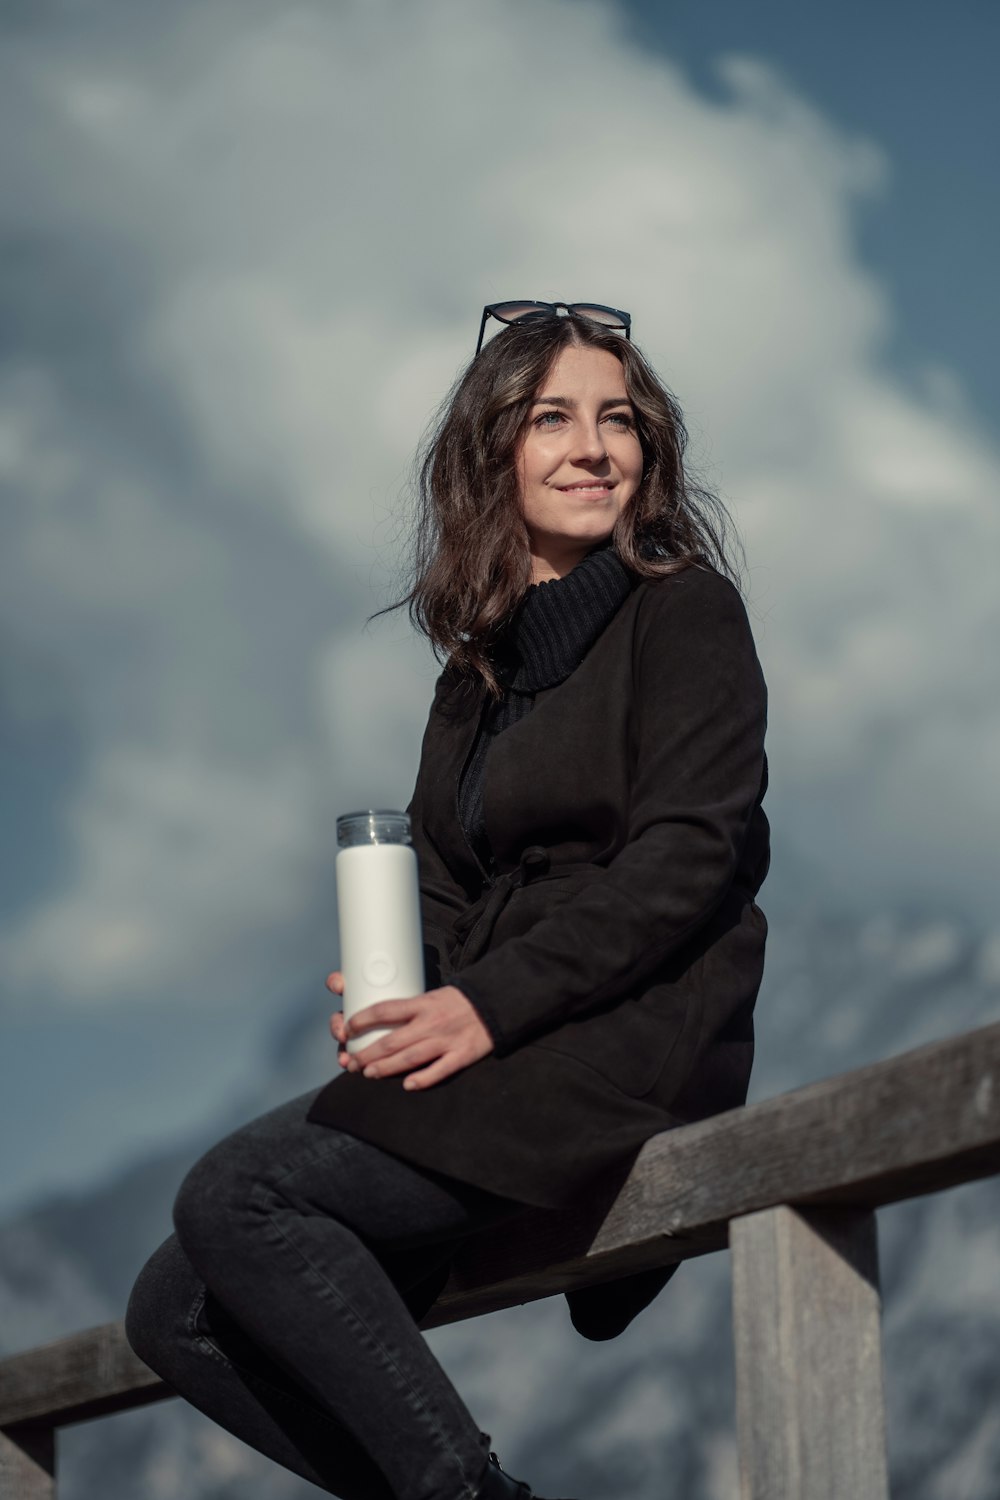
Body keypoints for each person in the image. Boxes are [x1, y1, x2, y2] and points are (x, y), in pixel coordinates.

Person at [125, 299, 770, 1500]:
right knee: (173, 1313)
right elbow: (441, 873)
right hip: (506, 1029)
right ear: (492, 455)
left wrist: (479, 1006)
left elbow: (686, 856)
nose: (594, 448)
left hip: (629, 1030)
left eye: (618, 419)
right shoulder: (473, 676)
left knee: (239, 1193)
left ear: (650, 449)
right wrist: (400, 985)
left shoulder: (684, 613)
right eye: (552, 419)